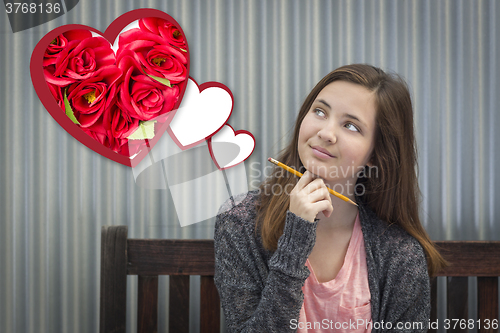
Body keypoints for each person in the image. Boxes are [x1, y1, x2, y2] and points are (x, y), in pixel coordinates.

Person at [214, 64, 447, 332]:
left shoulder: (400, 255)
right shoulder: (239, 223)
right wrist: (295, 239)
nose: (326, 133)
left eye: (351, 125)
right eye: (320, 111)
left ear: (375, 153)